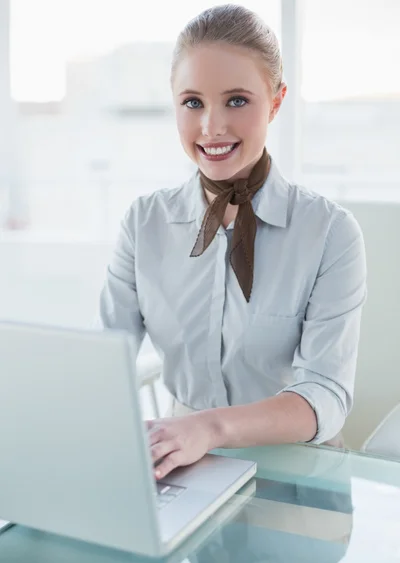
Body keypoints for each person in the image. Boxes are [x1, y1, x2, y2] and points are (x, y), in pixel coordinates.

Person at [97, 4, 367, 480]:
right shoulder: (143, 224)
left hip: (298, 474)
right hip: (182, 465)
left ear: (277, 101)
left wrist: (211, 427)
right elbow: (102, 358)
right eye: (193, 102)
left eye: (237, 100)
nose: (212, 127)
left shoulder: (330, 232)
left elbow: (326, 393)